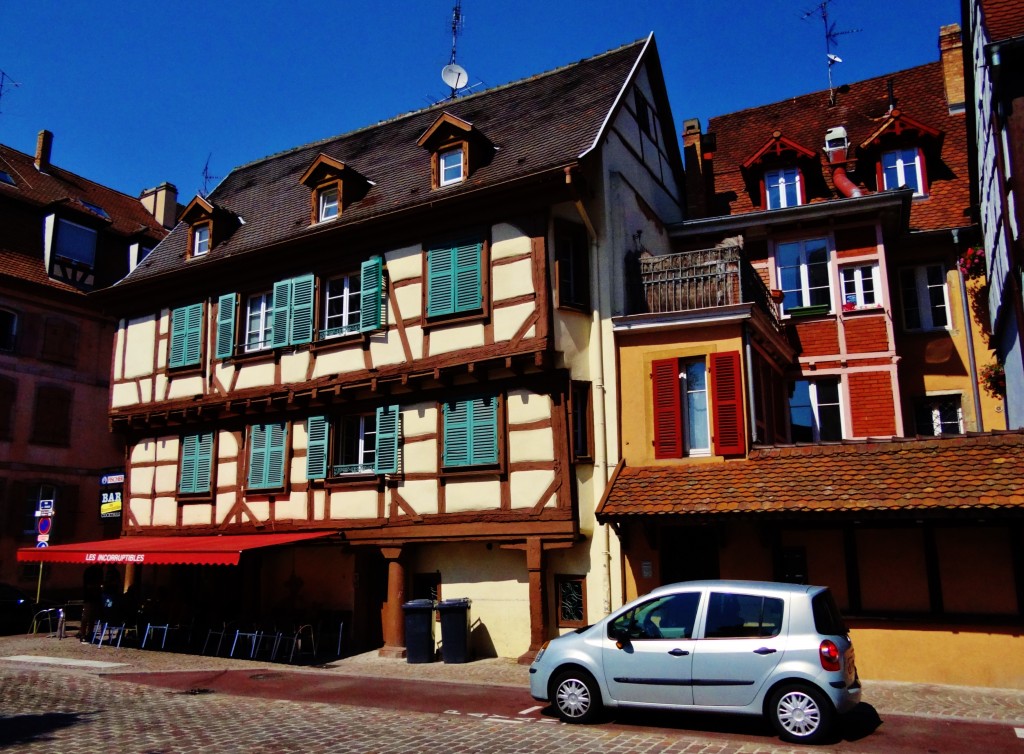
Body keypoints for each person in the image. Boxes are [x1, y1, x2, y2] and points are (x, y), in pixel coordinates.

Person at [78, 565, 103, 642]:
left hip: (93, 598)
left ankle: (89, 634)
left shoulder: (97, 571)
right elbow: (88, 585)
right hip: (89, 597)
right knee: (87, 617)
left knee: (91, 618)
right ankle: (83, 634)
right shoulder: (91, 571)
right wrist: (98, 587)